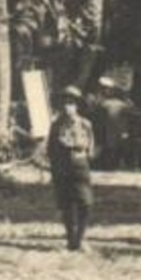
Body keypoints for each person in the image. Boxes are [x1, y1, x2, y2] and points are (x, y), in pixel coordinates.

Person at [47, 86, 95, 252]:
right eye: (65, 103)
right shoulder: (56, 125)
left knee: (86, 203)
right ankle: (71, 240)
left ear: (77, 106)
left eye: (72, 103)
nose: (68, 106)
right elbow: (51, 149)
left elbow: (91, 147)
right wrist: (55, 170)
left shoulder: (85, 124)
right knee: (66, 204)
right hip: (62, 167)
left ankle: (80, 238)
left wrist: (84, 158)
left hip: (80, 165)